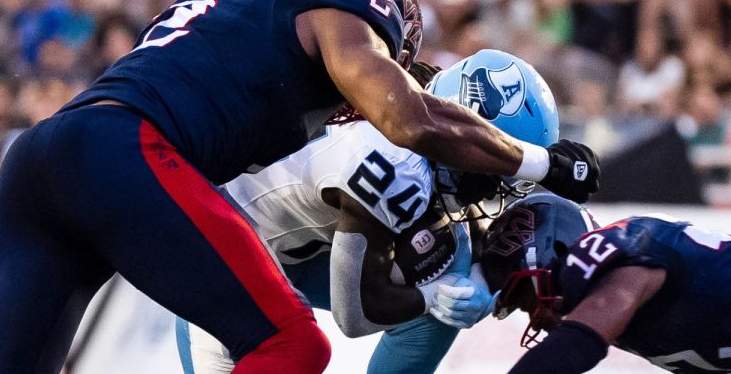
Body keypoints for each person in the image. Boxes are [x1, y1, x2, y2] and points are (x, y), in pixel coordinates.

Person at [0, 0, 600, 374]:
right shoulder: (345, 8)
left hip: (43, 158)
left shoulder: (239, 7)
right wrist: (541, 164)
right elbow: (408, 120)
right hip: (121, 153)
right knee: (294, 343)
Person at [176, 49, 561, 374]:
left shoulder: (413, 127)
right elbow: (355, 314)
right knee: (438, 289)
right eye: (492, 169)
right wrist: (433, 295)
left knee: (449, 275)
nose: (492, 191)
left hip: (294, 246)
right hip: (221, 257)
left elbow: (467, 235)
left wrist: (475, 279)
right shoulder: (395, 164)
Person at [444, 193, 731, 374]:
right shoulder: (622, 320)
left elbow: (575, 346)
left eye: (526, 300)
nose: (534, 318)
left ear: (553, 252)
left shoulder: (623, 247)